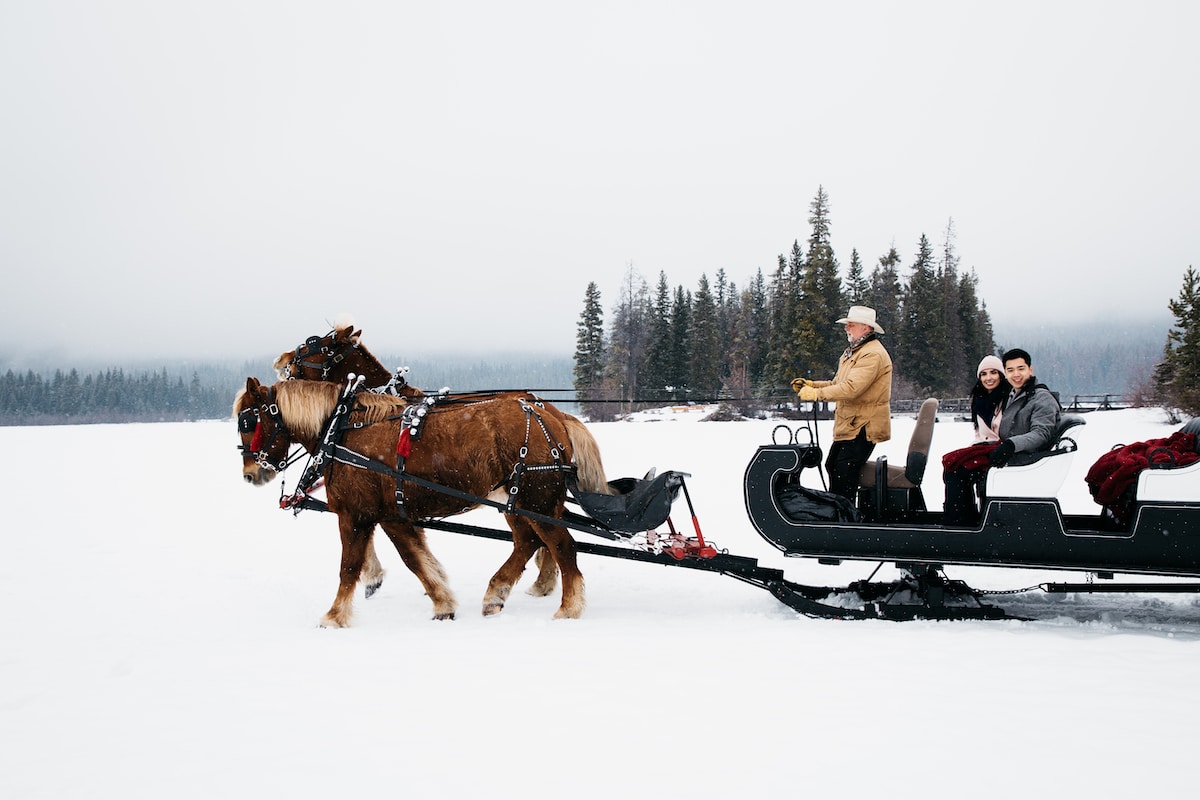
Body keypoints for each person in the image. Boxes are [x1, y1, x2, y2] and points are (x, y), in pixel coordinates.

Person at [942, 348, 1061, 525]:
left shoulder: (1040, 398)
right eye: (1011, 370)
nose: (1016, 374)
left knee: (957, 471)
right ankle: (965, 519)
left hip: (1024, 456)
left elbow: (1041, 434)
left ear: (1030, 369)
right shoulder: (1018, 395)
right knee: (955, 464)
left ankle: (960, 523)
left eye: (1020, 368)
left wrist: (1011, 444)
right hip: (1011, 451)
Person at [791, 305, 892, 502]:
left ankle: (844, 520)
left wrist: (816, 394)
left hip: (864, 426)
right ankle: (840, 516)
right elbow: (838, 384)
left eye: (850, 325)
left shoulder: (872, 354)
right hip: (852, 425)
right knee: (834, 466)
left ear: (865, 327)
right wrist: (812, 385)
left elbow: (851, 389)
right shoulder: (855, 352)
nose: (846, 328)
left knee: (843, 472)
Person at [940, 355, 1013, 523]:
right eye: (984, 374)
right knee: (952, 465)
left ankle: (959, 519)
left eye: (993, 373)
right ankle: (963, 515)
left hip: (1000, 448)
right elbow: (980, 433)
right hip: (984, 446)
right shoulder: (979, 400)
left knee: (957, 471)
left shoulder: (1007, 398)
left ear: (1001, 375)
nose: (988, 378)